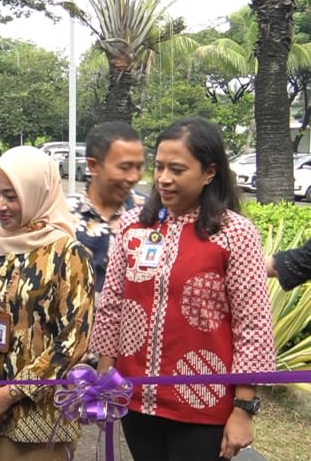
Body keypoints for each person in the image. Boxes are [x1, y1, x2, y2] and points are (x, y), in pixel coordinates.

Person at [89, 117, 275, 461]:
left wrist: (244, 409)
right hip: (136, 399)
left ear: (209, 173)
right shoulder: (134, 225)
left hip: (203, 408)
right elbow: (113, 303)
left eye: (177, 169)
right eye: (158, 167)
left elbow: (253, 326)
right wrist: (106, 375)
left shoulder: (235, 234)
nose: (163, 179)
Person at [0, 145, 94, 461]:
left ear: (37, 193)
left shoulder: (68, 254)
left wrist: (10, 394)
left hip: (40, 416)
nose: (0, 205)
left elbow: (73, 340)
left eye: (12, 196)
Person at [66, 121, 146, 293]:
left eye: (139, 167)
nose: (133, 177)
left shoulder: (151, 213)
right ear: (93, 166)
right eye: (124, 168)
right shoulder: (62, 214)